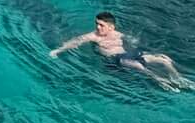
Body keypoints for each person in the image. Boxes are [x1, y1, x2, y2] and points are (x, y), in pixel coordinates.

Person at [52, 13, 190, 88]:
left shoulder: (117, 34)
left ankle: (178, 78)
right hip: (115, 59)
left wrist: (134, 41)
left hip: (127, 55)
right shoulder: (93, 36)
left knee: (163, 58)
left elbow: (130, 39)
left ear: (111, 27)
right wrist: (58, 51)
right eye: (97, 24)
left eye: (101, 25)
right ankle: (160, 80)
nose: (98, 27)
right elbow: (75, 42)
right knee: (138, 65)